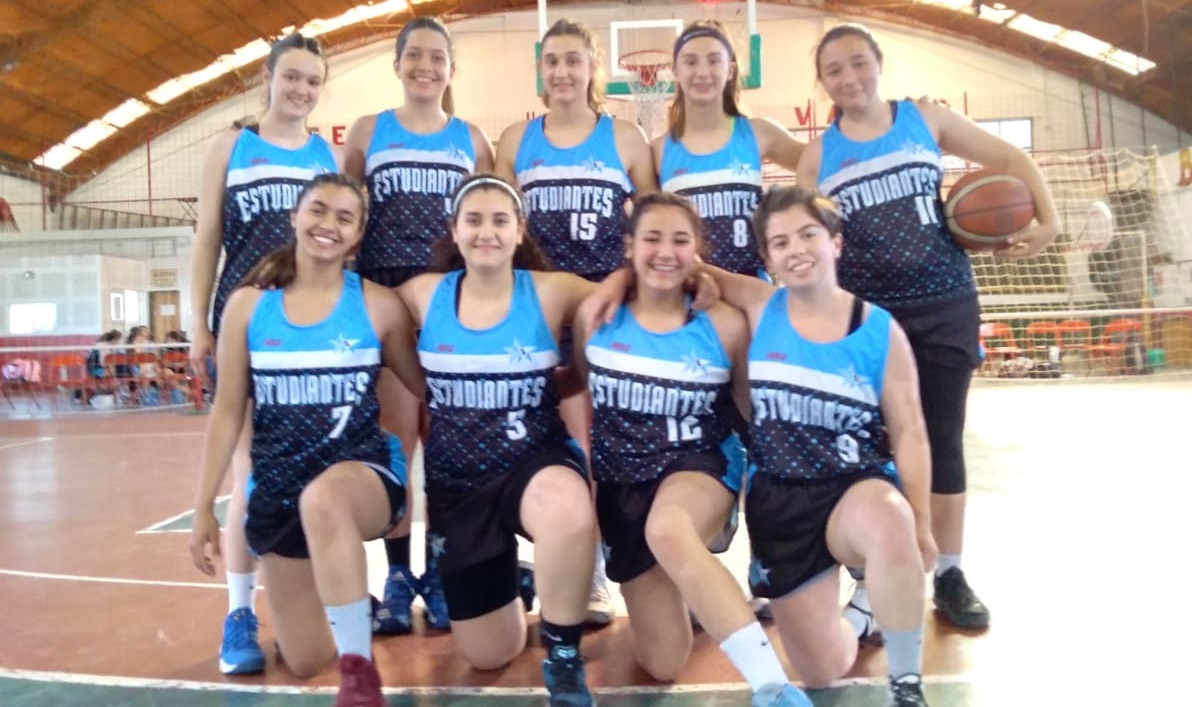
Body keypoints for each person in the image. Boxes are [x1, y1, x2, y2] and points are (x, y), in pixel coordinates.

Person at [795, 23, 1058, 631]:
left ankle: (950, 574)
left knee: (943, 439)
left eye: (858, 63)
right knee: (869, 446)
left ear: (878, 63)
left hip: (945, 304)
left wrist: (1046, 221)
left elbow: (1011, 159)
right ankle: (875, 575)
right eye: (834, 70)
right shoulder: (816, 158)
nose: (849, 78)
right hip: (868, 320)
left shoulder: (926, 119)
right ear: (823, 82)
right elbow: (805, 239)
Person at [189, 173, 423, 707]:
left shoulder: (379, 306)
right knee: (305, 658)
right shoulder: (247, 308)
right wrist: (203, 506)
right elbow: (227, 413)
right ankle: (349, 601)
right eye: (318, 210)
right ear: (295, 217)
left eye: (345, 217)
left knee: (325, 498)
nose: (328, 224)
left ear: (358, 236)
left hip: (362, 474)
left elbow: (430, 386)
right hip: (279, 490)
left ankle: (361, 678)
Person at [572, 192, 811, 707]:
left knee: (669, 529)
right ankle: (692, 577)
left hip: (700, 464)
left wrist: (773, 498)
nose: (666, 251)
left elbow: (749, 410)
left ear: (698, 249)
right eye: (652, 239)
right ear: (628, 246)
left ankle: (773, 687)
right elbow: (582, 398)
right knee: (663, 662)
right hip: (622, 485)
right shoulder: (596, 316)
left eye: (680, 240)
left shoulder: (724, 324)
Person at [394, 174, 601, 706]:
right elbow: (355, 308)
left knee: (568, 508)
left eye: (500, 220)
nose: (486, 232)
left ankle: (563, 654)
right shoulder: (424, 294)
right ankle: (523, 580)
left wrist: (699, 281)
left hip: (534, 460)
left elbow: (623, 294)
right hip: (457, 485)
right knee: (489, 654)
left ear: (519, 230)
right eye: (474, 220)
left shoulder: (551, 290)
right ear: (454, 230)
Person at [495, 16, 658, 627]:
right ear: (540, 71)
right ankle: (565, 565)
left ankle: (621, 566)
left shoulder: (626, 139)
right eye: (552, 61)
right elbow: (496, 224)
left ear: (594, 69)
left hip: (605, 313)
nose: (562, 71)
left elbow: (651, 224)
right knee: (547, 444)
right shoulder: (516, 140)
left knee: (608, 445)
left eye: (573, 60)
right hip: (537, 314)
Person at [188, 32, 340, 675]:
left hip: (308, 335)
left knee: (315, 470)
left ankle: (317, 602)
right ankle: (238, 613)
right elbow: (207, 239)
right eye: (292, 76)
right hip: (243, 328)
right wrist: (198, 325)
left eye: (313, 80)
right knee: (250, 471)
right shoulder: (231, 146)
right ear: (268, 77)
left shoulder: (326, 156)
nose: (301, 89)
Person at [344, 15, 494, 636]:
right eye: (415, 55)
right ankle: (398, 574)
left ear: (452, 69)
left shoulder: (471, 139)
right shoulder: (367, 131)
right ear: (398, 64)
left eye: (437, 57)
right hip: (386, 300)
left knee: (447, 442)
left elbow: (487, 222)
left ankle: (439, 569)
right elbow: (346, 216)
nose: (425, 66)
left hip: (449, 304)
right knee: (398, 440)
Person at [656, 19, 804, 278]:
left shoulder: (759, 133)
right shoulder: (658, 150)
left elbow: (820, 162)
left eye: (714, 60)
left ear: (731, 69)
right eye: (691, 62)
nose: (703, 72)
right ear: (675, 71)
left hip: (750, 286)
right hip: (687, 288)